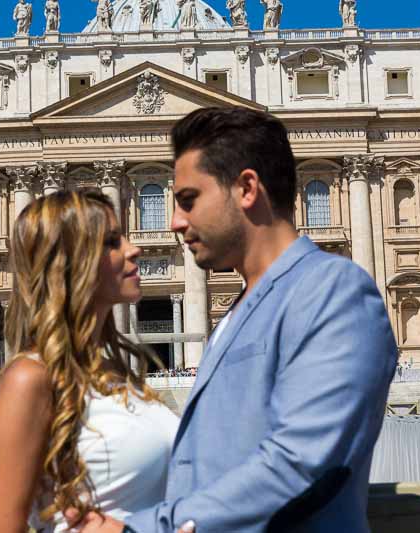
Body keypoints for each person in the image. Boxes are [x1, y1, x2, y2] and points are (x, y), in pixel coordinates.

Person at [69, 107, 398, 533]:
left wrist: (143, 529)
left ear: (246, 188)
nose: (175, 222)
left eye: (188, 200)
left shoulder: (333, 290)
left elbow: (303, 463)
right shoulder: (240, 308)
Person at [0, 190, 180, 533]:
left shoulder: (114, 372)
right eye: (112, 241)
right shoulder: (29, 379)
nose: (134, 249)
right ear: (69, 260)